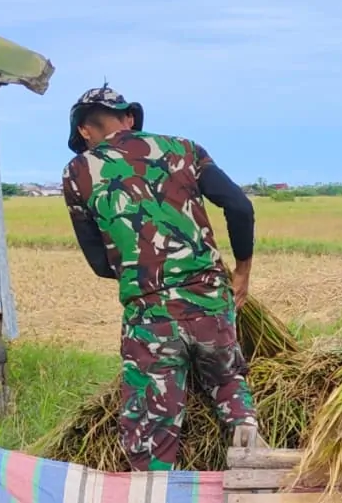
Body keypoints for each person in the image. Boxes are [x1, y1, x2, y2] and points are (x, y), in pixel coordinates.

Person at [61, 84, 259, 471]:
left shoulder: (78, 172)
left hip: (151, 316)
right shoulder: (186, 150)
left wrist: (143, 272)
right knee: (227, 379)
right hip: (211, 303)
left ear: (85, 132)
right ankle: (246, 433)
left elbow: (101, 263)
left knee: (151, 430)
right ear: (130, 118)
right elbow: (240, 206)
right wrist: (242, 273)